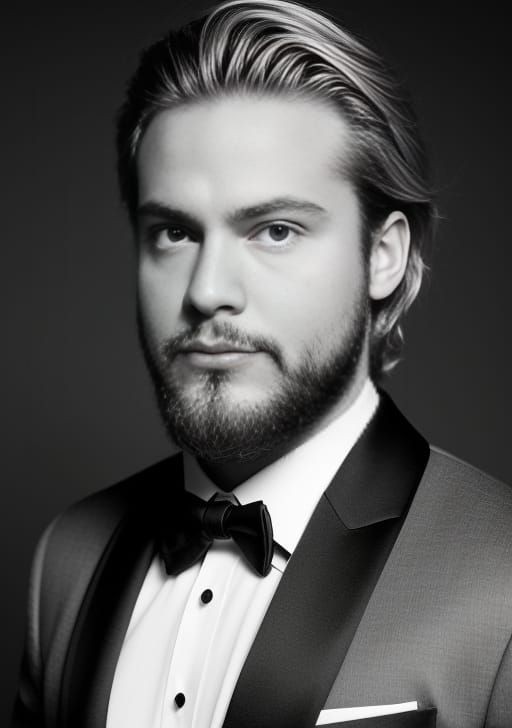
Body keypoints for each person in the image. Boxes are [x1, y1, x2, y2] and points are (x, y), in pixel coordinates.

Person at [11, 1, 512, 727]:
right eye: (175, 232)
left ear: (383, 256)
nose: (209, 290)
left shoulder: (501, 577)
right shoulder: (68, 558)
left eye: (274, 230)